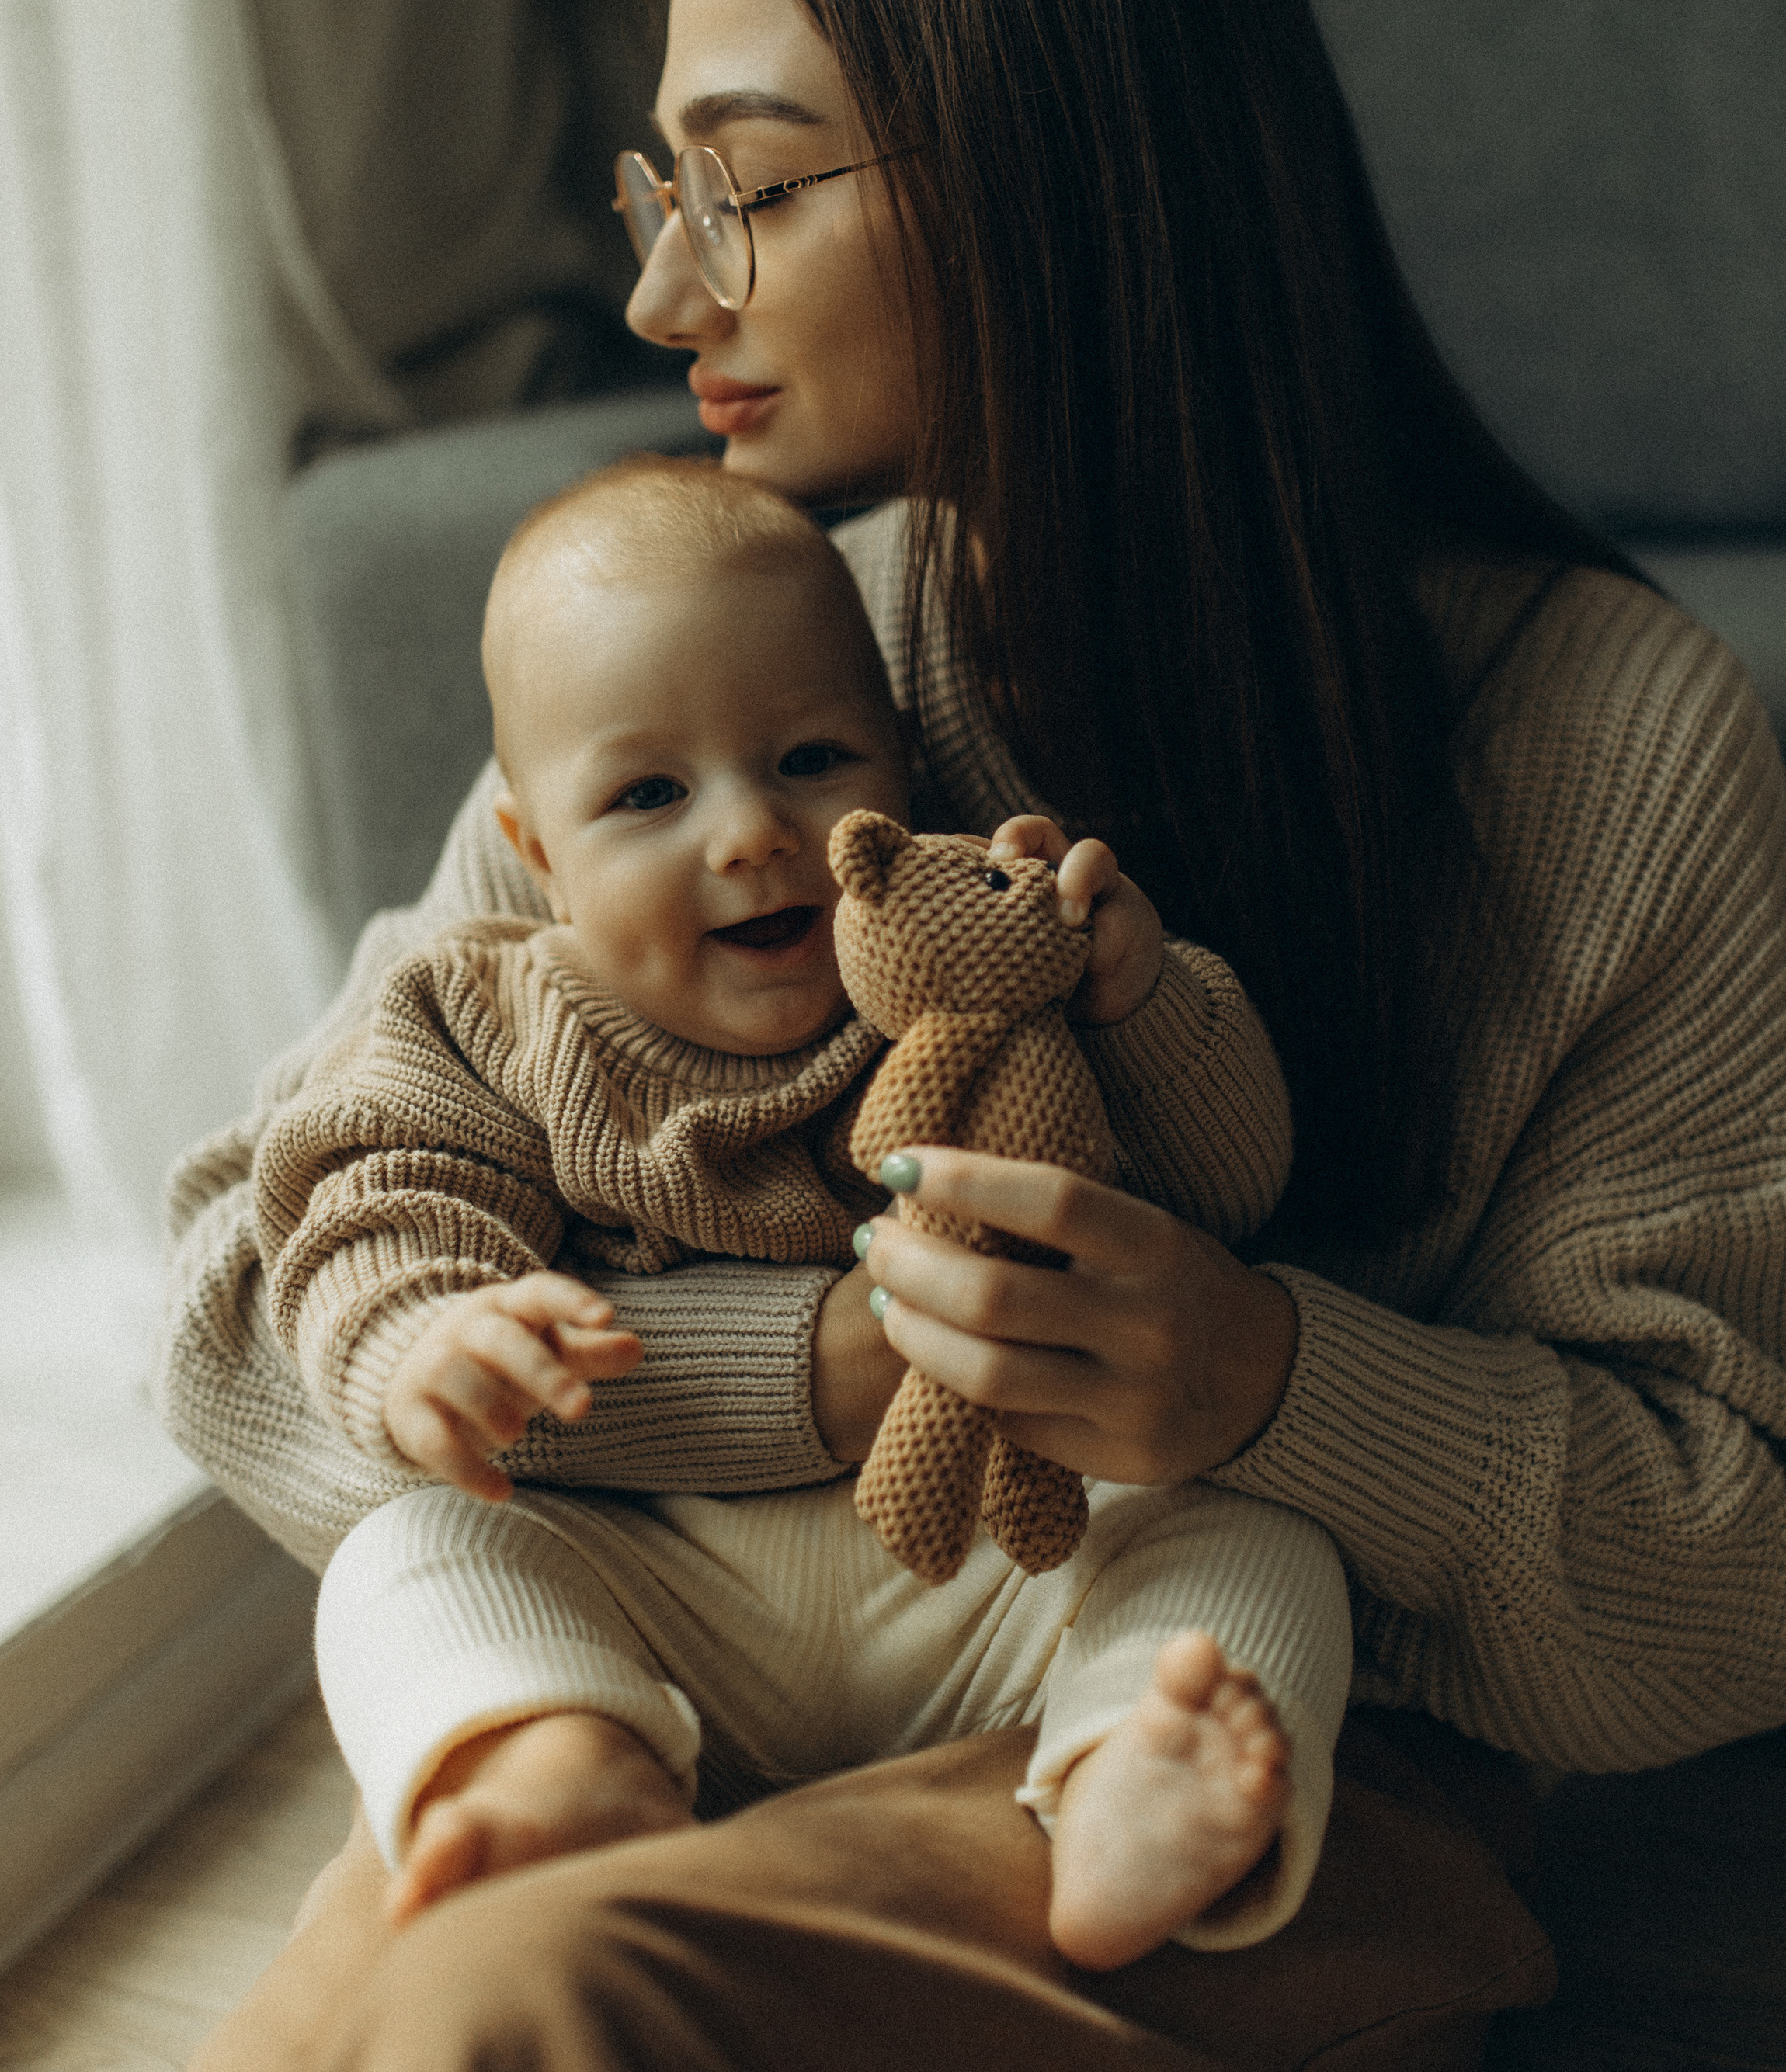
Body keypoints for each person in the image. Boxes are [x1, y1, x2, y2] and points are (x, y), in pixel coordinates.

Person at [0, 0, 1786, 2072]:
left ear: (1048, 180)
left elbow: (1741, 1578)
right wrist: (797, 1380)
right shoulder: (731, 656)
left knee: (516, 2035)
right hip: (672, 1704)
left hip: (1235, 1774)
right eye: (662, 193)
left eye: (747, 186)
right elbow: (258, 1283)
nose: (664, 300)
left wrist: (1265, 1385)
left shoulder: (1595, 737)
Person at [268, 453, 1346, 1966]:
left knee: (1249, 1526)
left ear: (899, 768)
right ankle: (561, 1764)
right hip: (660, 1577)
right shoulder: (483, 1010)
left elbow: (1234, 1186)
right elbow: (367, 1190)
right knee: (410, 1555)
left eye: (811, 759)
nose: (751, 833)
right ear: (532, 853)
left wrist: (1141, 1004)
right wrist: (421, 1335)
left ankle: (1128, 1775)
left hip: (999, 1565)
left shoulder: (979, 948)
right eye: (648, 794)